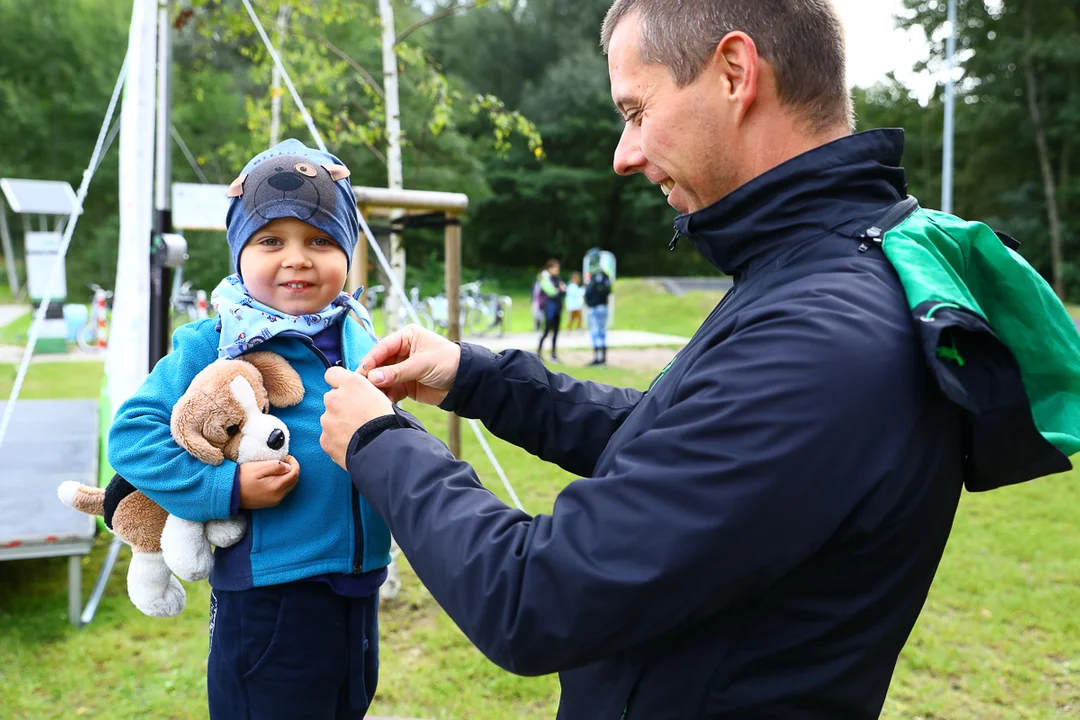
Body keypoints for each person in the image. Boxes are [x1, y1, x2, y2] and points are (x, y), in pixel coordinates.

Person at [318, 1, 1080, 718]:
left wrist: (378, 442)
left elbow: (534, 597)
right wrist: (476, 376)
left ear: (735, 73)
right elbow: (673, 436)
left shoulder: (824, 334)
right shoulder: (808, 273)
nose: (625, 154)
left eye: (636, 110)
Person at [109, 139, 391, 719]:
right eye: (270, 240)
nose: (297, 258)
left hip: (357, 589)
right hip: (269, 597)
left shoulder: (359, 336)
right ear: (238, 252)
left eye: (320, 239)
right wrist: (229, 491)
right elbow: (132, 435)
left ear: (348, 250)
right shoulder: (211, 344)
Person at [536, 258, 565, 362]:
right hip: (550, 309)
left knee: (556, 332)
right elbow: (551, 292)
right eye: (555, 268)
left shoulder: (558, 278)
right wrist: (558, 290)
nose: (557, 271)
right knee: (546, 331)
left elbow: (563, 292)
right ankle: (538, 353)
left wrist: (558, 290)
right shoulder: (545, 278)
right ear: (549, 268)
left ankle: (553, 354)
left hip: (558, 308)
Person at [583, 267, 612, 366]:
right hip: (603, 306)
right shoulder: (605, 276)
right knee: (602, 331)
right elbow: (609, 290)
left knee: (595, 332)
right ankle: (603, 358)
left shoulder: (593, 277)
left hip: (595, 307)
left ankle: (597, 358)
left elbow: (588, 291)